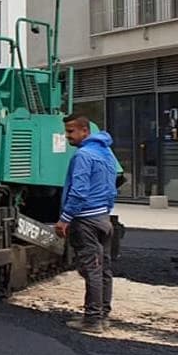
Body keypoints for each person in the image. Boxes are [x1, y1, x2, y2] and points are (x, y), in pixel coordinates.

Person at [56, 115, 118, 334]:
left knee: (91, 269)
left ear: (84, 131)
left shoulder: (83, 155)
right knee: (104, 269)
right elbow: (112, 188)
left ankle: (92, 320)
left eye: (71, 131)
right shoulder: (106, 153)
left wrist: (65, 218)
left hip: (86, 220)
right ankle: (103, 315)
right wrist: (106, 212)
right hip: (103, 219)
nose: (67, 136)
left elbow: (79, 191)